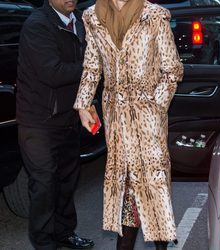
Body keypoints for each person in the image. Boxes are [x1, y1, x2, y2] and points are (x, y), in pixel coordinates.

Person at [74, 0, 183, 249]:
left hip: (149, 120)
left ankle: (161, 245)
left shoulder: (154, 16)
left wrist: (155, 106)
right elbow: (92, 66)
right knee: (125, 189)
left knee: (153, 187)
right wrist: (82, 104)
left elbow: (173, 70)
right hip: (117, 120)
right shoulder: (93, 17)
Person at [16, 0, 94, 249]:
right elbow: (53, 72)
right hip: (39, 120)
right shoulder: (38, 25)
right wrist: (93, 68)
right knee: (44, 183)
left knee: (67, 180)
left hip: (69, 116)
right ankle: (43, 242)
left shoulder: (80, 21)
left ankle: (64, 233)